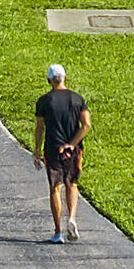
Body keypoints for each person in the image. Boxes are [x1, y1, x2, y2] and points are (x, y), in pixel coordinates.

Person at [33, 63, 90, 244]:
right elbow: (86, 125)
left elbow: (39, 128)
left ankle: (58, 232)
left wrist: (36, 151)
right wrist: (72, 144)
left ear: (49, 80)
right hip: (73, 151)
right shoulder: (77, 99)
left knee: (55, 188)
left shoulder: (44, 101)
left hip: (53, 149)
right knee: (72, 183)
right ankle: (72, 218)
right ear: (65, 77)